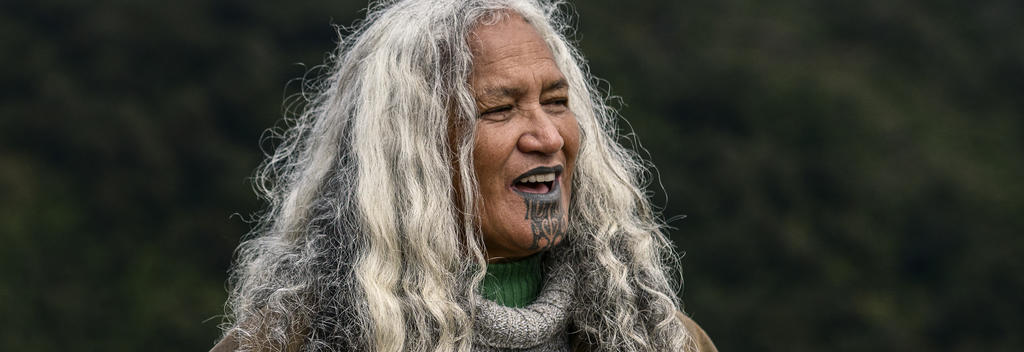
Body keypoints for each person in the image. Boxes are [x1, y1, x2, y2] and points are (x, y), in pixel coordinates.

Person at [212, 0, 717, 351]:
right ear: (412, 151)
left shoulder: (661, 340)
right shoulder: (287, 345)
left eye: (557, 103)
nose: (548, 137)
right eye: (500, 109)